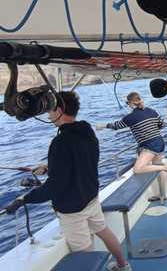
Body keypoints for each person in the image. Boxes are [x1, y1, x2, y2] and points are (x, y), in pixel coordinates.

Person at [15, 91, 132, 271]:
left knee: (84, 253)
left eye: (50, 111)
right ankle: (123, 266)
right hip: (91, 197)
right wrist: (50, 166)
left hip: (72, 208)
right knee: (104, 232)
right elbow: (80, 163)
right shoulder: (88, 134)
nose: (48, 115)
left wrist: (27, 198)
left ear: (59, 110)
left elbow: (55, 186)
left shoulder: (60, 142)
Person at [96, 92, 167, 203]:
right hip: (160, 142)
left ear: (131, 102)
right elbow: (162, 124)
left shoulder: (130, 117)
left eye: (128, 103)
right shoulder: (152, 111)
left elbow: (116, 126)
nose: (128, 105)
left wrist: (103, 126)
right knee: (157, 167)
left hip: (150, 144)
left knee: (138, 169)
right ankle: (162, 194)